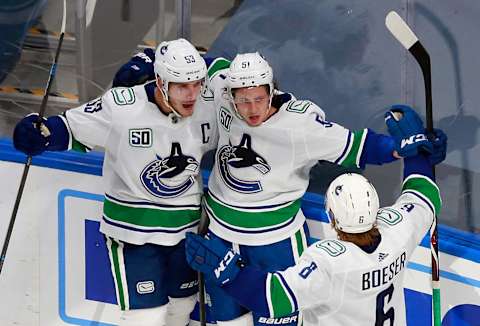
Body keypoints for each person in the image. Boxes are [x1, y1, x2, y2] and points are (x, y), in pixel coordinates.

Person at [113, 50, 427, 326]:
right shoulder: (223, 88)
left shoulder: (301, 125)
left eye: (259, 99)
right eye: (244, 100)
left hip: (276, 244)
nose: (251, 108)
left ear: (272, 91)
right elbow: (209, 65)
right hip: (222, 236)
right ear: (231, 94)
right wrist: (155, 61)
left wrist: (403, 148)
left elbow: (359, 146)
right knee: (227, 321)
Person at [12, 38, 217, 326]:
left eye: (197, 83)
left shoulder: (207, 103)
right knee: (148, 318)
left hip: (186, 230)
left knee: (183, 308)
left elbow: (240, 82)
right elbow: (70, 128)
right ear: (160, 81)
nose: (192, 94)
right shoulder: (123, 107)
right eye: (182, 85)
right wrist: (40, 133)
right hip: (134, 232)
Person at [184, 105, 447, 325]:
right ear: (376, 208)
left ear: (332, 217)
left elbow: (274, 300)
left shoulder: (330, 263)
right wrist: (418, 151)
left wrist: (229, 271)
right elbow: (423, 195)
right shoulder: (397, 232)